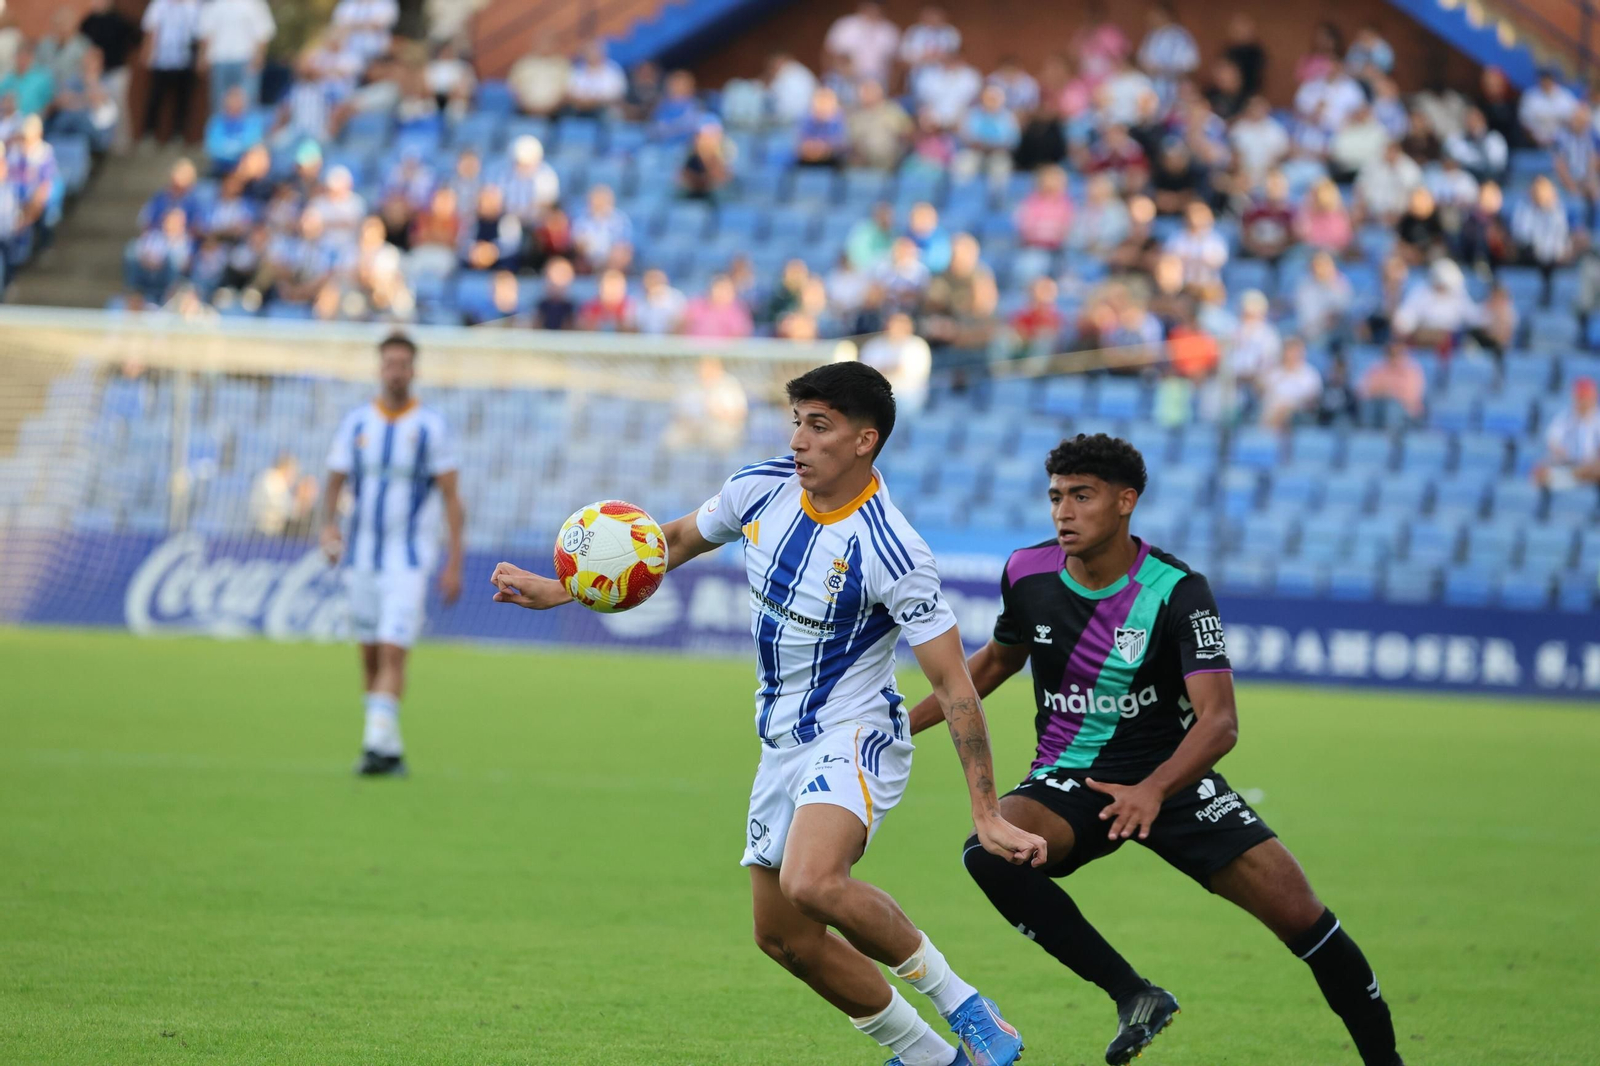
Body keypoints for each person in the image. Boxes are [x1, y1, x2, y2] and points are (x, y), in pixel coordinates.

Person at [488, 361, 1046, 1066]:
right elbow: (674, 541)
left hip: (857, 732)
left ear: (865, 440)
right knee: (784, 937)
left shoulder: (894, 550)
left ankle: (966, 1006)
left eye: (820, 426)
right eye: (797, 422)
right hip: (780, 742)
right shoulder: (761, 487)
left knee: (812, 882)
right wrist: (566, 588)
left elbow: (956, 685)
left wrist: (987, 811)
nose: (801, 440)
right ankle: (934, 1059)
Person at [908, 432, 1406, 1063]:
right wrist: (897, 726)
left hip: (1173, 778)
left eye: (1082, 496)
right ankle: (1134, 994)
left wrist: (1155, 789)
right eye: (1056, 496)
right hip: (1072, 778)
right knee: (992, 848)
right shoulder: (1026, 573)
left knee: (1306, 920)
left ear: (1125, 501)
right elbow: (989, 667)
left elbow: (1219, 723)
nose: (1063, 511)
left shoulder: (1177, 591)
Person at [319, 333, 465, 777]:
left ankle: (373, 746)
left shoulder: (431, 428)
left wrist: (454, 562)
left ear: (413, 370)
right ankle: (388, 748)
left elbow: (452, 500)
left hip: (409, 560)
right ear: (380, 369)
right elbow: (334, 482)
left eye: (404, 364)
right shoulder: (357, 423)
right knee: (368, 656)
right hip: (361, 558)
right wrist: (329, 527)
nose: (397, 371)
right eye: (390, 364)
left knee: (393, 652)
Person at [79, 0, 142, 153]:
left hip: (116, 70)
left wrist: (122, 53)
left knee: (118, 105)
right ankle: (104, 143)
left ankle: (122, 144)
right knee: (96, 106)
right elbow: (82, 42)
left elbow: (136, 37)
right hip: (96, 73)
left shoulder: (119, 19)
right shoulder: (88, 21)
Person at [140, 0, 201, 145]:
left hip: (185, 60)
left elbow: (199, 33)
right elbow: (150, 29)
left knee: (183, 100)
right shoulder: (158, 5)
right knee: (156, 98)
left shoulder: (193, 6)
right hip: (161, 60)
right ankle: (149, 134)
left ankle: (178, 135)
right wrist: (146, 52)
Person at [196, 0, 274, 112]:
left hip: (246, 60)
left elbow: (263, 34)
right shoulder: (214, 4)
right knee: (219, 103)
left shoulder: (255, 4)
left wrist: (259, 57)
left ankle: (247, 130)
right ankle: (220, 129)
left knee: (247, 103)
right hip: (219, 60)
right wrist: (202, 57)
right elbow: (206, 34)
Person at [1534, 377, 1600, 488]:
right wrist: (1561, 454)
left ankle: (1570, 477)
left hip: (1592, 465)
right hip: (1570, 463)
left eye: (1587, 397)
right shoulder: (1565, 417)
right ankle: (1573, 477)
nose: (1584, 401)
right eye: (1581, 397)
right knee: (1539, 471)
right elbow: (1553, 441)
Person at [1358, 340, 1426, 424]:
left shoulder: (1412, 370)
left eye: (1396, 353)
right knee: (1368, 406)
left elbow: (1411, 398)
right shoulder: (1377, 368)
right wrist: (1383, 392)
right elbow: (1364, 390)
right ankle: (1367, 435)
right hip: (1378, 404)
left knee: (1391, 406)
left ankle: (1389, 435)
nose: (1393, 357)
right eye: (1390, 353)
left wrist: (1390, 393)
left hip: (1404, 411)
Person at [250, 451, 317, 535]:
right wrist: (302, 499)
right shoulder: (273, 479)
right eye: (293, 471)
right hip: (265, 534)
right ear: (287, 468)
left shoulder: (275, 480)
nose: (295, 476)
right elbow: (287, 510)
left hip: (269, 532)